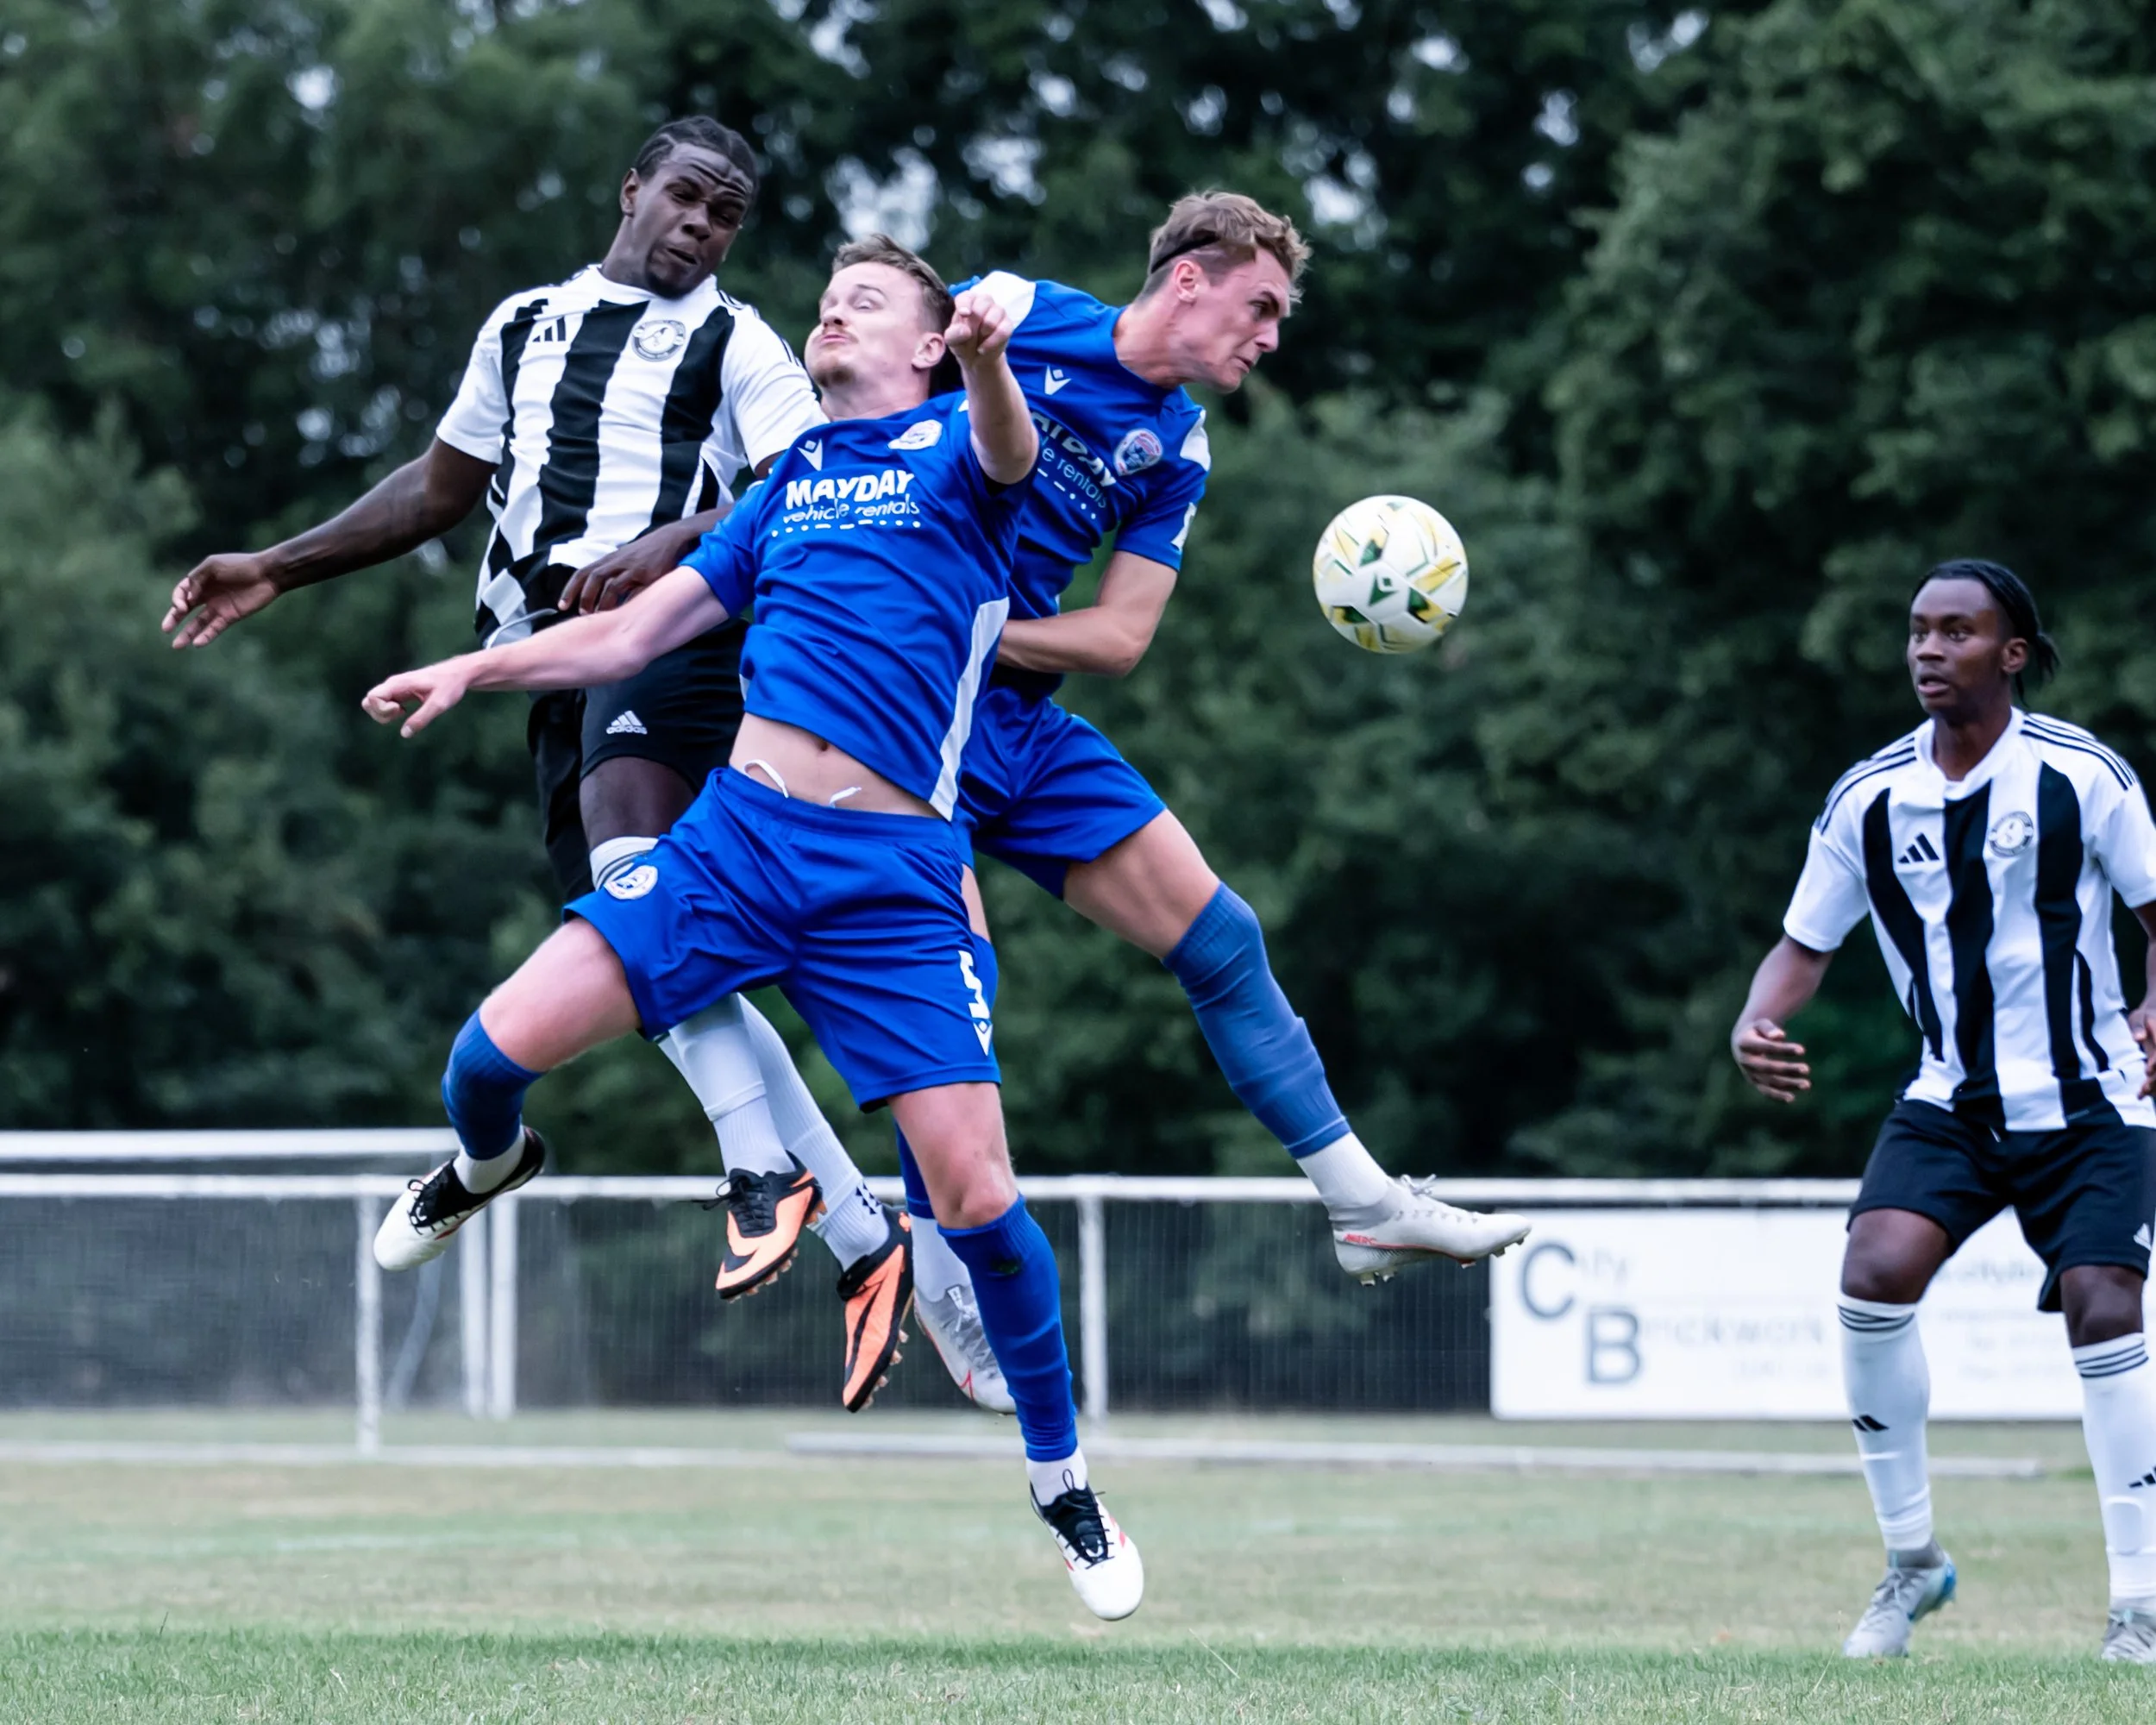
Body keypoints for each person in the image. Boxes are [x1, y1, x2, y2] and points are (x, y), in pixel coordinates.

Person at [158, 116, 1002, 1413]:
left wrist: (673, 544)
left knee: (639, 883)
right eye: (686, 197)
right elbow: (438, 490)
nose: (701, 226)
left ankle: (763, 1172)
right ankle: (854, 1234)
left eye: (726, 214)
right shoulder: (522, 326)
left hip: (672, 646)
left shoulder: (741, 343)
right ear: (633, 190)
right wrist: (277, 563)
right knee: (649, 936)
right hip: (549, 670)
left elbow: (812, 477)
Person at [357, 238, 1144, 1620]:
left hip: (889, 880)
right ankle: (488, 1166)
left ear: (927, 344)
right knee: (482, 1061)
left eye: (868, 300)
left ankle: (1062, 1482)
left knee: (977, 1199)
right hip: (735, 846)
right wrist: (476, 667)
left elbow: (1014, 451)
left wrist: (985, 361)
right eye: (827, 297)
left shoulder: (964, 448)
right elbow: (627, 638)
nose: (833, 309)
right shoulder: (787, 483)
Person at [573, 192, 1530, 1324]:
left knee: (1221, 937)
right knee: (951, 1004)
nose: (1271, 337)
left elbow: (1120, 637)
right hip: (897, 712)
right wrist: (811, 576)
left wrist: (976, 625)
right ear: (1189, 279)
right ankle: (942, 1289)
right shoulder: (1020, 313)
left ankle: (1362, 1205)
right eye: (1262, 306)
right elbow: (845, 438)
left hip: (1015, 718)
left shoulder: (1179, 445)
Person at [1731, 560, 2156, 1665]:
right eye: (1918, 630)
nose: (1928, 648)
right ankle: (1912, 1560)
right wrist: (1754, 1020)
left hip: (2093, 1099)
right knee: (1871, 1273)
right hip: (1950, 1098)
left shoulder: (2082, 776)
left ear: (2009, 654)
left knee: (2103, 1304)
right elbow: (1802, 943)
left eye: (1956, 631)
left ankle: (2140, 1605)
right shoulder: (1868, 797)